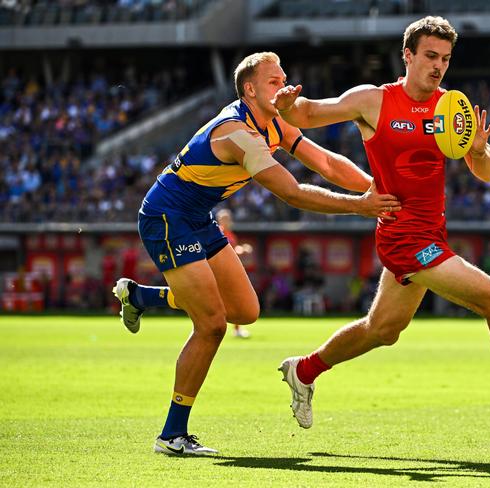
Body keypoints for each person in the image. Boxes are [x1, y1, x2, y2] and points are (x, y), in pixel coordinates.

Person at [272, 16, 490, 436]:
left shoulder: (451, 107)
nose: (438, 66)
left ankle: (303, 370)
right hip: (403, 237)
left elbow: (484, 171)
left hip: (431, 234)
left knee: (383, 330)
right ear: (408, 55)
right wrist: (287, 106)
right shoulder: (373, 100)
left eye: (446, 59)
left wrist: (482, 151)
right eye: (430, 56)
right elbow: (308, 113)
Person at [112, 51, 401, 456]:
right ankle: (172, 435)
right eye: (273, 81)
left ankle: (140, 296)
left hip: (197, 216)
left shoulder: (274, 123)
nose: (283, 85)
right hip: (167, 217)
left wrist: (375, 188)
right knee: (211, 323)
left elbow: (325, 163)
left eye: (284, 77)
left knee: (245, 311)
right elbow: (292, 192)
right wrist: (360, 206)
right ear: (250, 89)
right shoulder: (238, 133)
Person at [216, 208, 253, 338]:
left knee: (235, 299)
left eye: (228, 218)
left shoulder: (230, 234)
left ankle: (236, 329)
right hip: (220, 271)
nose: (227, 221)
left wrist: (241, 249)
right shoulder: (218, 232)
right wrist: (241, 250)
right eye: (224, 218)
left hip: (228, 270)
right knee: (227, 300)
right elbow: (224, 251)